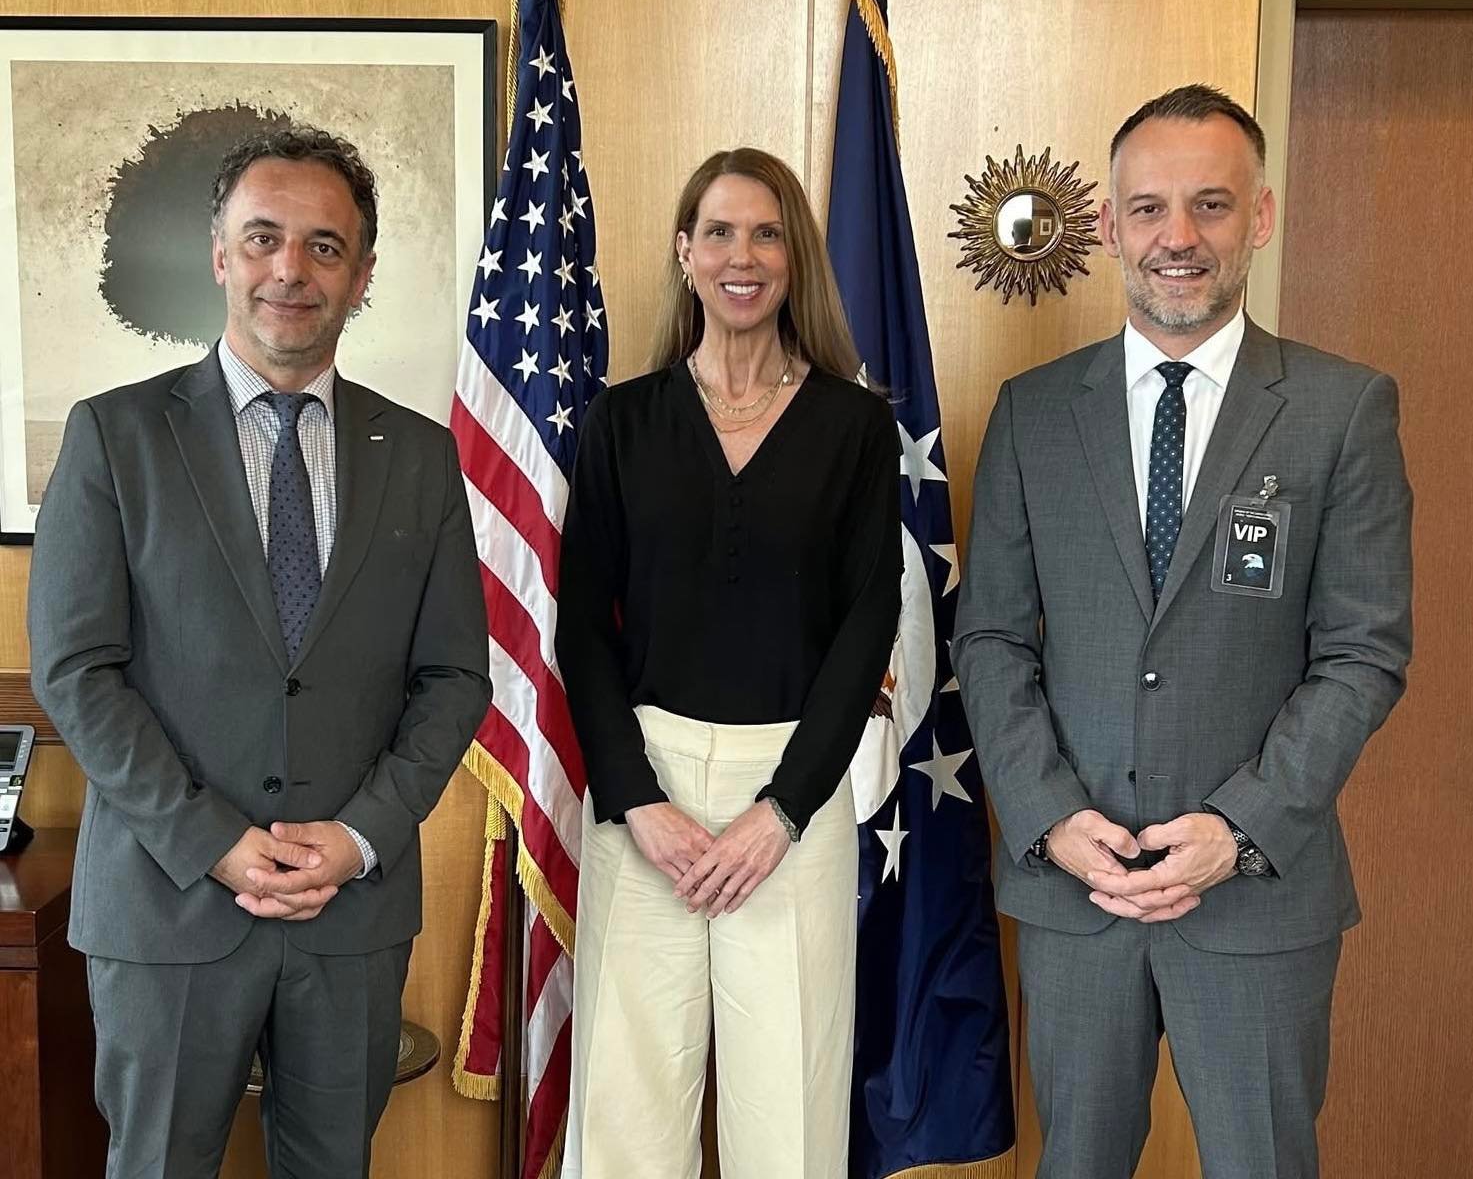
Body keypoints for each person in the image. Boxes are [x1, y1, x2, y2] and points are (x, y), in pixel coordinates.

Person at [953, 84, 1412, 1179]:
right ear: (1109, 226)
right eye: (1149, 208)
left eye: (1211, 204)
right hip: (1077, 892)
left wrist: (1238, 828)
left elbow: (1362, 653)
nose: (1179, 237)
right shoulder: (1032, 410)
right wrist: (1051, 818)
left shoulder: (1341, 409)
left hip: (1258, 896)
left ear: (1260, 217)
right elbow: (991, 641)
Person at [28, 125, 491, 1178]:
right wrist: (215, 840)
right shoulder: (114, 437)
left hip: (350, 909)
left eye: (325, 247)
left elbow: (454, 677)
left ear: (361, 277)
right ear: (220, 255)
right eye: (264, 237)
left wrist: (361, 837)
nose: (292, 268)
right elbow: (77, 671)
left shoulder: (421, 456)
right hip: (167, 902)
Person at [556, 146, 900, 1179]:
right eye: (718, 232)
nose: (740, 256)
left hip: (794, 793)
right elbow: (583, 626)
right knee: (625, 1117)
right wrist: (636, 801)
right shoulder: (621, 421)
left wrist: (781, 811)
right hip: (645, 792)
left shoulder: (854, 424)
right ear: (684, 251)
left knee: (789, 1122)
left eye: (765, 234)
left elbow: (867, 627)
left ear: (795, 258)